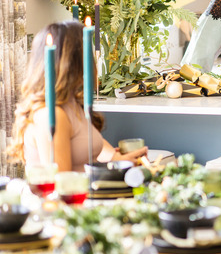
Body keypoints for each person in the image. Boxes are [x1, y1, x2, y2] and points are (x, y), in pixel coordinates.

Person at [7, 21, 147, 172]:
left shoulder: (73, 104)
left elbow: (90, 145)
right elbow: (64, 185)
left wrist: (118, 160)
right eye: (89, 54)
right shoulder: (52, 114)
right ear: (76, 63)